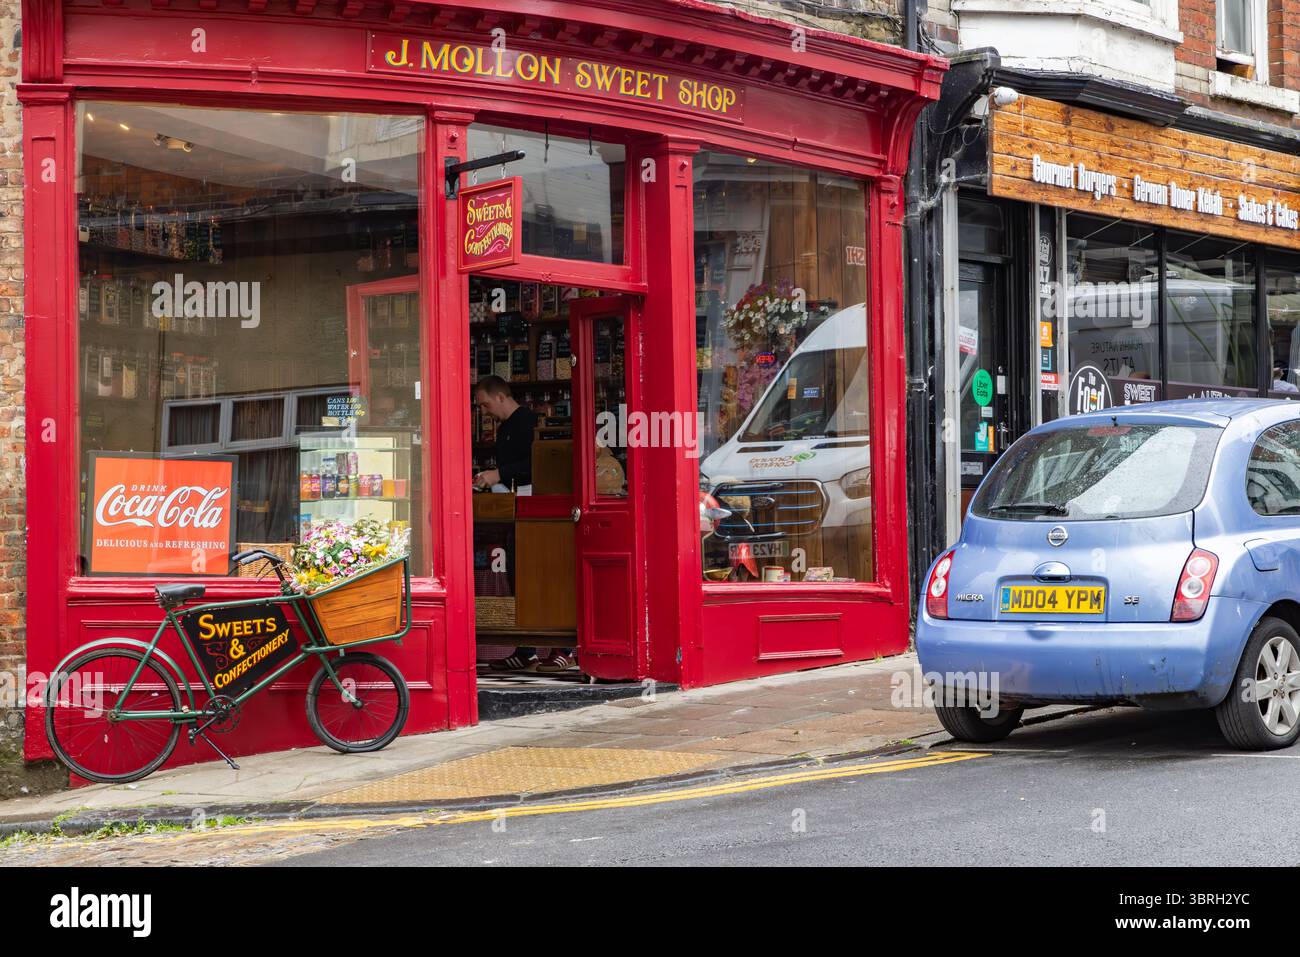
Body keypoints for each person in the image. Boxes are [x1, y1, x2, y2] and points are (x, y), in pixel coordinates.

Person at [472, 377, 575, 672]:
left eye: (486, 403)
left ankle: (563, 648)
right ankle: (526, 649)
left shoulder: (530, 423)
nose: (484, 410)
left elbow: (540, 463)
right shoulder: (505, 428)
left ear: (501, 396)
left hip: (542, 512)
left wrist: (498, 474)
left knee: (545, 578)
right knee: (520, 578)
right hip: (514, 509)